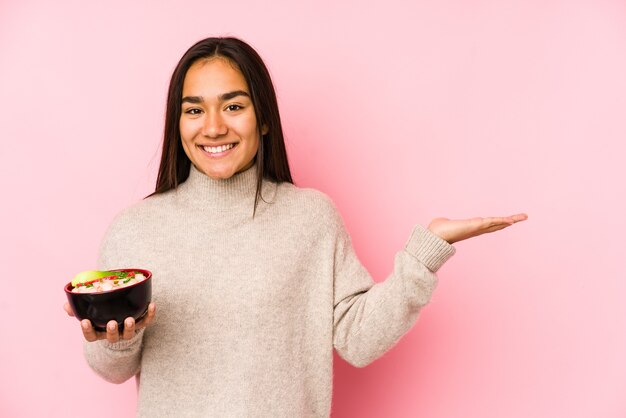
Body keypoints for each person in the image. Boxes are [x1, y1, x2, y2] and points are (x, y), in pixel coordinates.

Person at [64, 37, 527, 417]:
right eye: (193, 110)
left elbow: (358, 339)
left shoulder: (310, 218)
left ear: (263, 118)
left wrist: (427, 252)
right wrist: (116, 341)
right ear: (177, 122)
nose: (212, 127)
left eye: (233, 106)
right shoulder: (136, 229)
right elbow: (111, 370)